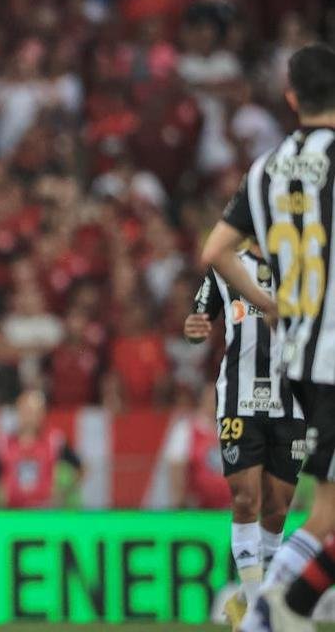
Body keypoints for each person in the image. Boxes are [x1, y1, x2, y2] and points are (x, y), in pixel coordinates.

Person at [199, 43, 335, 631]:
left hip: (300, 359)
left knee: (325, 511)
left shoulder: (265, 169)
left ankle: (270, 610)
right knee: (324, 512)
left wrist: (268, 305)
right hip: (332, 355)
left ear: (291, 97)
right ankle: (269, 613)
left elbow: (215, 251)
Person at [184, 243, 305, 628]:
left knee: (278, 507)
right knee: (245, 498)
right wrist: (194, 329)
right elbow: (197, 321)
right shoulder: (226, 265)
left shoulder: (304, 263)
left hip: (293, 402)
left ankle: (246, 598)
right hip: (240, 400)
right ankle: (256, 609)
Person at [0, 389, 82, 509]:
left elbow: (80, 469)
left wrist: (62, 493)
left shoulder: (54, 440)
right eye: (26, 410)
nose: (30, 416)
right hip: (12, 512)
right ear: (18, 411)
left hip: (45, 512)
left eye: (35, 411)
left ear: (42, 414)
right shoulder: (2, 443)